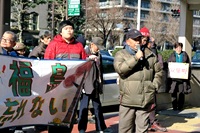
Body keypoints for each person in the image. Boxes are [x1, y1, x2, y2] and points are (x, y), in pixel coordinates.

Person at [114, 29, 163, 133]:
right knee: (125, 130)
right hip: (127, 101)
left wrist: (154, 86)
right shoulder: (121, 54)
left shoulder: (150, 55)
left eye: (139, 39)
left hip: (144, 100)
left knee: (142, 130)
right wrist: (136, 58)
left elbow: (158, 72)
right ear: (127, 41)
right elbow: (120, 70)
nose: (138, 41)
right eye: (135, 39)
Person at [44, 20, 86, 133]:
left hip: (72, 88)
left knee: (69, 116)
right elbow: (46, 64)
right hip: (56, 87)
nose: (69, 31)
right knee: (54, 115)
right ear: (60, 32)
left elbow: (84, 65)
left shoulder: (79, 46)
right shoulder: (53, 45)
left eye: (71, 28)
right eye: (66, 28)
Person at [78, 37, 112, 133]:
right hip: (85, 85)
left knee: (97, 107)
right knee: (83, 108)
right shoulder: (84, 53)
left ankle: (100, 127)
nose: (99, 49)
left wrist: (100, 84)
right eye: (98, 47)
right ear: (92, 44)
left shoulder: (99, 55)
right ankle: (82, 129)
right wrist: (88, 59)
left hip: (95, 84)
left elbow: (100, 70)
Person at [140, 27, 167, 132]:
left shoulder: (151, 52)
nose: (144, 41)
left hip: (149, 82)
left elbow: (158, 69)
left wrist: (155, 84)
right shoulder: (132, 51)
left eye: (146, 39)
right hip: (137, 84)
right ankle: (146, 123)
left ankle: (152, 122)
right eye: (142, 39)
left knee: (151, 104)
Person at [0, 31, 18, 133]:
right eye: (3, 38)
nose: (4, 41)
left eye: (8, 40)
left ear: (14, 44)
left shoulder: (15, 56)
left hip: (10, 90)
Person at [167, 42, 191, 111]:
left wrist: (188, 75)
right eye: (177, 47)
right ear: (175, 48)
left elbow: (188, 65)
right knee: (173, 92)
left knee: (181, 92)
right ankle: (174, 106)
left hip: (182, 78)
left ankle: (180, 106)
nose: (179, 49)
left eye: (180, 47)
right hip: (174, 78)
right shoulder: (172, 55)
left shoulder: (184, 55)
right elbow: (168, 63)